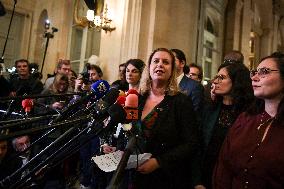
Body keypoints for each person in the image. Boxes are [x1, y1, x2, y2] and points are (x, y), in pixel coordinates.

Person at [213, 52, 284, 189]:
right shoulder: (244, 119)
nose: (255, 78)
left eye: (264, 72)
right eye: (254, 72)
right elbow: (223, 166)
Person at [131, 48, 199, 188]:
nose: (160, 64)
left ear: (172, 70)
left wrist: (158, 162)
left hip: (165, 177)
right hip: (133, 174)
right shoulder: (137, 98)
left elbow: (191, 143)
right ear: (149, 68)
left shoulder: (181, 101)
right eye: (155, 61)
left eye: (166, 62)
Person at [193, 60, 254, 189]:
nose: (215, 81)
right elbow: (198, 147)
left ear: (237, 81)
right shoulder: (210, 109)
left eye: (222, 77)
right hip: (204, 179)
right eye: (216, 77)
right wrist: (196, 181)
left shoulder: (249, 115)